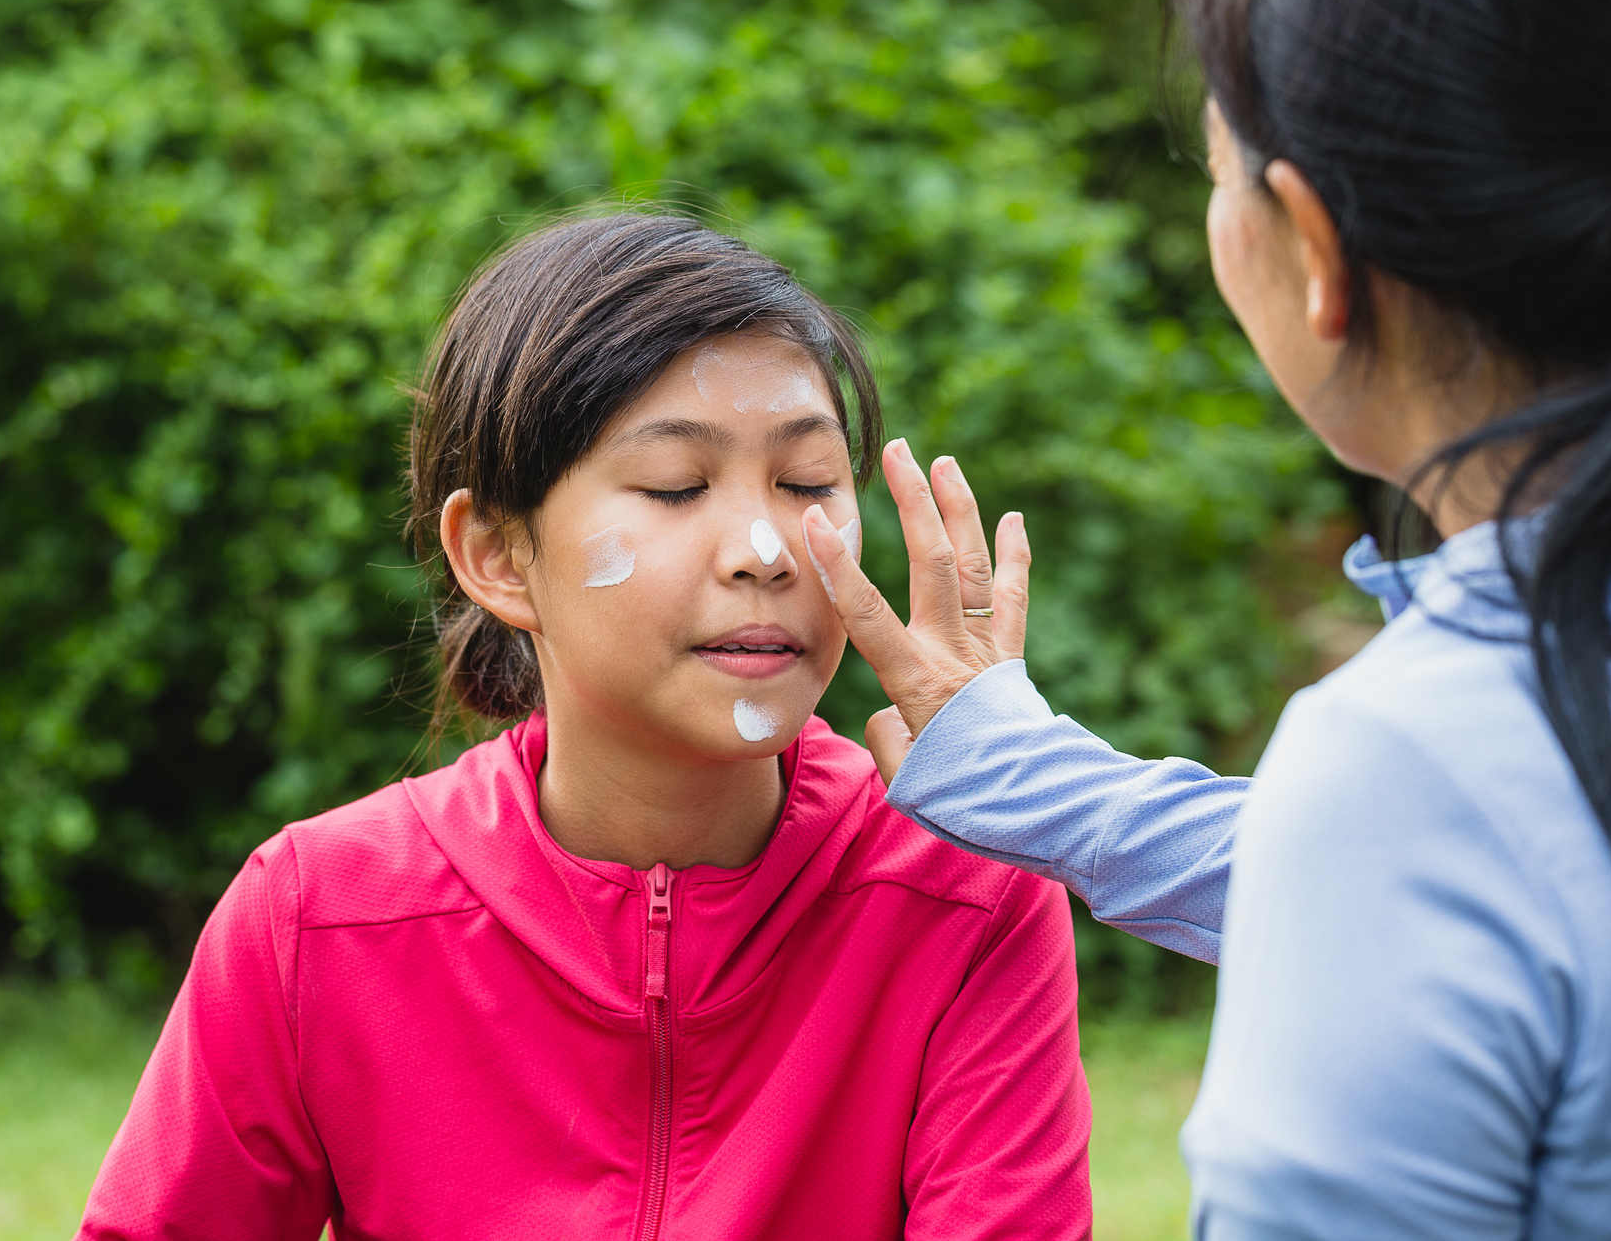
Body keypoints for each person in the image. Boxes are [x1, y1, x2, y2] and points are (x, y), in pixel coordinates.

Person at [795, 0, 1611, 1237]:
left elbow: (1468, 843)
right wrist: (1043, 781)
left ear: (1313, 251)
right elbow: (1572, 860)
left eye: (1215, 165)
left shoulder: (1417, 772)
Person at [76, 213, 1090, 1240]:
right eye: (676, 486)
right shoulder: (316, 916)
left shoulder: (971, 885)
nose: (765, 549)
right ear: (499, 555)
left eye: (808, 483)